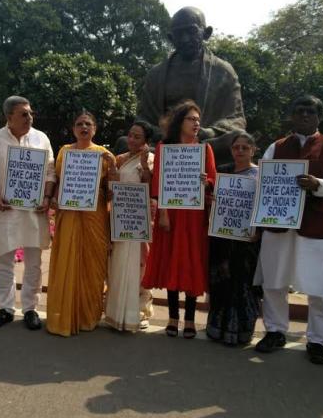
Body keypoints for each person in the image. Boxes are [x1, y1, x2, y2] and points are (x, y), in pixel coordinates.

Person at [254, 95, 323, 365]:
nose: (305, 116)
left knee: (317, 285)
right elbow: (262, 181)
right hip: (279, 224)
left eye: (311, 111)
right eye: (300, 111)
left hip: (314, 224)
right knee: (274, 281)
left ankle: (318, 339)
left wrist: (318, 184)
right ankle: (275, 331)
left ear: (319, 116)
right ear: (292, 115)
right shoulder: (276, 146)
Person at [142, 100, 216, 338]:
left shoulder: (205, 150)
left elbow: (213, 181)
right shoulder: (165, 148)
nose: (196, 124)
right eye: (191, 119)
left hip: (194, 216)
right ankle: (173, 318)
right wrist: (162, 214)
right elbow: (158, 184)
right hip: (171, 214)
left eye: (198, 120)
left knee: (192, 263)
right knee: (173, 262)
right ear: (179, 122)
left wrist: (207, 182)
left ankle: (191, 319)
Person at [136, 6, 245, 165]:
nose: (185, 39)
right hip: (163, 141)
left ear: (206, 33)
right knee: (125, 142)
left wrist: (210, 131)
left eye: (191, 31)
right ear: (171, 38)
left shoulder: (223, 71)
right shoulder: (156, 74)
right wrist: (160, 132)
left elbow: (236, 119)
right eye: (179, 34)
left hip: (205, 141)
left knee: (236, 138)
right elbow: (142, 118)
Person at [0, 96, 55, 331]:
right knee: (5, 261)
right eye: (24, 114)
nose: (29, 118)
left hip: (33, 212)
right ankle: (5, 308)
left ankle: (30, 309)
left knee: (34, 263)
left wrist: (45, 198)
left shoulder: (41, 138)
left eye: (31, 113)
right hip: (6, 210)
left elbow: (50, 173)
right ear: (9, 117)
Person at [46, 110, 114, 336]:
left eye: (88, 124)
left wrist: (112, 167)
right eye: (79, 124)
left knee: (93, 265)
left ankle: (88, 316)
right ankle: (64, 315)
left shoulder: (103, 154)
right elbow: (57, 180)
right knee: (68, 260)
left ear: (95, 129)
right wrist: (54, 198)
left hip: (95, 215)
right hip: (70, 213)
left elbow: (112, 190)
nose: (84, 127)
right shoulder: (65, 152)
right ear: (73, 129)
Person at [206, 131, 261, 345]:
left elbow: (262, 208)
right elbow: (215, 201)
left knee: (243, 285)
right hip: (222, 239)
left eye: (245, 148)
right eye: (236, 147)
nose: (240, 151)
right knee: (221, 282)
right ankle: (217, 327)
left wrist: (257, 231)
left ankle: (241, 330)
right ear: (231, 150)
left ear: (253, 150)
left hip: (246, 241)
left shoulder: (259, 175)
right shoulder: (224, 173)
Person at [105, 121, 155, 332]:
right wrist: (112, 172)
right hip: (119, 218)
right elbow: (110, 192)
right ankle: (115, 312)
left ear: (146, 140)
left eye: (137, 137)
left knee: (139, 267)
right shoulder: (120, 159)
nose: (132, 140)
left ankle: (138, 311)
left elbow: (151, 188)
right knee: (116, 265)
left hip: (138, 221)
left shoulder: (151, 159)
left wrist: (145, 166)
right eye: (130, 135)